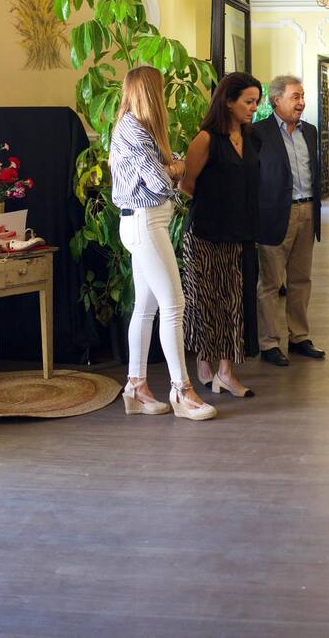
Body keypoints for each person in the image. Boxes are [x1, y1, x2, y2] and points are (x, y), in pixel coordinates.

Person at [109, 66, 217, 421]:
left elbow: (165, 171)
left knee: (146, 308)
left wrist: (171, 167)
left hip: (144, 222)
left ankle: (136, 388)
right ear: (149, 91)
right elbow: (158, 182)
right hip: (145, 222)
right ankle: (182, 391)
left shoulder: (137, 128)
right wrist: (175, 168)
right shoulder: (134, 130)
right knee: (174, 305)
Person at [181, 71, 262, 398]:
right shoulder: (206, 139)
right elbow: (187, 184)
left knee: (235, 302)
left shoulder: (253, 138)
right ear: (228, 102)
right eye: (248, 101)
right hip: (206, 233)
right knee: (206, 303)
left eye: (256, 102)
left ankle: (226, 373)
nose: (254, 108)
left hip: (241, 232)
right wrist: (216, 204)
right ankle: (205, 363)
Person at [252, 75, 324, 366]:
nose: (301, 102)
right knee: (270, 283)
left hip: (307, 211)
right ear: (276, 100)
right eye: (296, 97)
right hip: (274, 215)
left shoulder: (310, 131)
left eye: (302, 96)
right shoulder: (257, 132)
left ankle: (299, 337)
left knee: (301, 279)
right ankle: (269, 343)